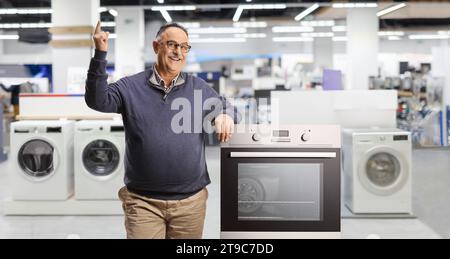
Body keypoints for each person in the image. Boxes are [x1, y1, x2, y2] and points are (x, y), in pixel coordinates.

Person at [86, 21, 239, 239]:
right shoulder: (131, 87)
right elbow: (97, 100)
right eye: (172, 45)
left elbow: (227, 105)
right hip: (143, 202)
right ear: (156, 46)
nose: (178, 52)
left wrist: (225, 114)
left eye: (184, 47)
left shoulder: (198, 87)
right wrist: (100, 55)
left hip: (190, 203)